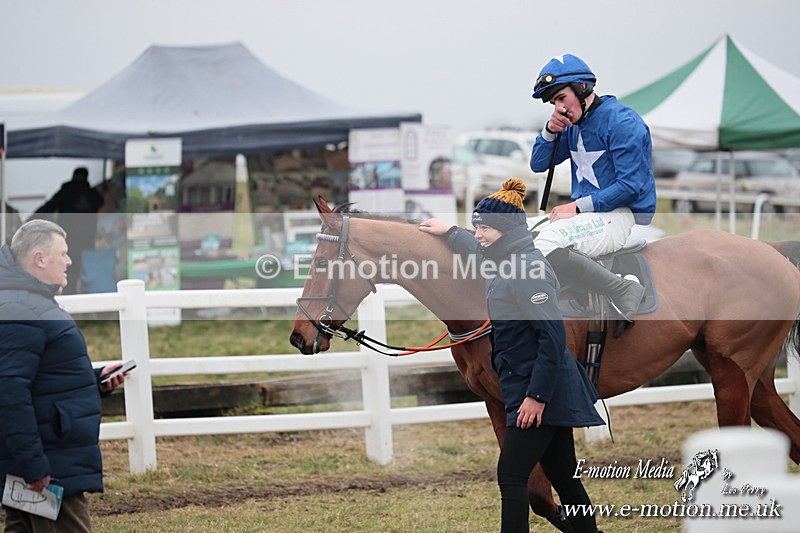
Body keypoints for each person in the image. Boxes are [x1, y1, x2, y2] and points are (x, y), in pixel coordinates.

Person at [419, 178, 604, 532]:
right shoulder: (505, 258)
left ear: (504, 230)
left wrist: (536, 397)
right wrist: (451, 232)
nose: (479, 235)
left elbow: (553, 339)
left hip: (542, 393)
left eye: (484, 228)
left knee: (512, 474)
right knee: (564, 477)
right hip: (538, 388)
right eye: (476, 228)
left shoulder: (527, 270)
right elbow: (477, 251)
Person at [0, 219, 130, 532]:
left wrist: (94, 379)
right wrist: (35, 467)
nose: (70, 261)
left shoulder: (27, 303)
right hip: (49, 466)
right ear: (39, 259)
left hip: (43, 458)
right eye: (63, 253)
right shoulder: (25, 309)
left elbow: (40, 376)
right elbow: (9, 390)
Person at [529, 53, 656, 323]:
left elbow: (631, 186)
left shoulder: (623, 123)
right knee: (515, 235)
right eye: (554, 103)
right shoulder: (573, 124)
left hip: (618, 215)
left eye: (561, 98)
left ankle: (623, 289)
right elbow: (538, 164)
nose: (559, 108)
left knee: (545, 244)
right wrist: (550, 131)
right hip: (585, 217)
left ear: (582, 88)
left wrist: (577, 206)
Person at [33, 167, 104, 295]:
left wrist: (32, 218)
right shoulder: (92, 194)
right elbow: (101, 201)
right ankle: (88, 296)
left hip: (68, 237)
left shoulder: (66, 191)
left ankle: (70, 295)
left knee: (68, 268)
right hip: (87, 238)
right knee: (87, 269)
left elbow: (49, 206)